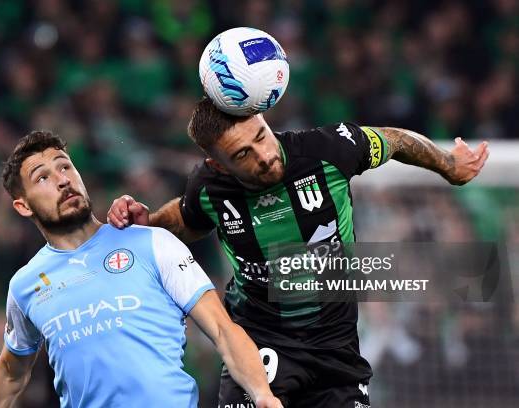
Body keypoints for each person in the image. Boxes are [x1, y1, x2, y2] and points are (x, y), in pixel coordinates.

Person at [107, 97, 490, 408]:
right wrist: (150, 221)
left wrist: (448, 165)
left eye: (261, 136)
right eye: (242, 155)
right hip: (259, 343)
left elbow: (396, 140)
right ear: (217, 165)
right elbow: (190, 218)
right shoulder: (208, 186)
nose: (263, 156)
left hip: (335, 350)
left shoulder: (328, 149)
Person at [0, 130, 283, 408]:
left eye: (65, 166)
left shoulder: (152, 243)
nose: (62, 179)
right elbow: (10, 372)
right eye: (43, 177)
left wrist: (262, 394)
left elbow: (223, 330)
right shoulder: (26, 285)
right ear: (23, 206)